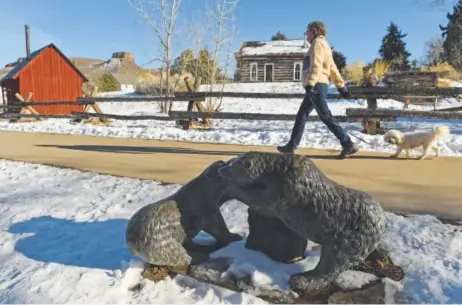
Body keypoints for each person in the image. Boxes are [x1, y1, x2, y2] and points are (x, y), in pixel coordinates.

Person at [277, 21, 359, 159]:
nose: (306, 34)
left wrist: (310, 84)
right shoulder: (325, 45)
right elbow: (333, 68)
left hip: (316, 86)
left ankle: (347, 143)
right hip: (319, 85)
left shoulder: (317, 44)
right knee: (302, 115)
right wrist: (341, 87)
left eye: (307, 31)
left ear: (314, 31)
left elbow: (316, 66)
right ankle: (292, 145)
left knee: (325, 116)